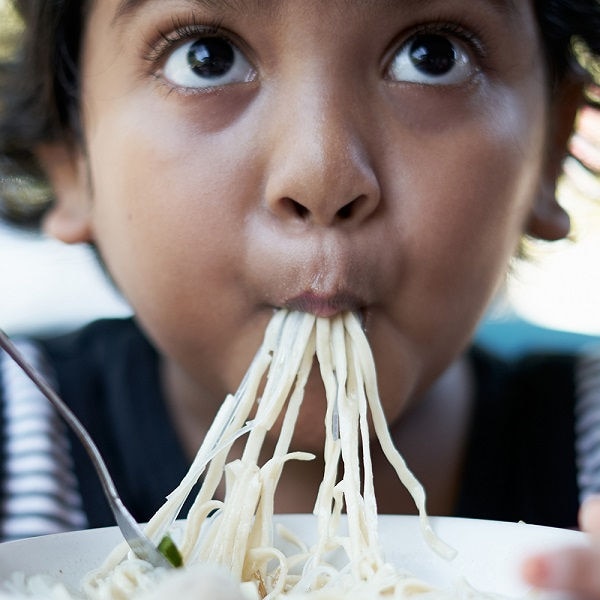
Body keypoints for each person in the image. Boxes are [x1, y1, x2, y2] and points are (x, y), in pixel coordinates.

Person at [0, 0, 599, 597]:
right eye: (207, 58)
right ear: (72, 154)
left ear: (553, 141)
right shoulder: (18, 446)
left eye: (433, 57)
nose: (322, 175)